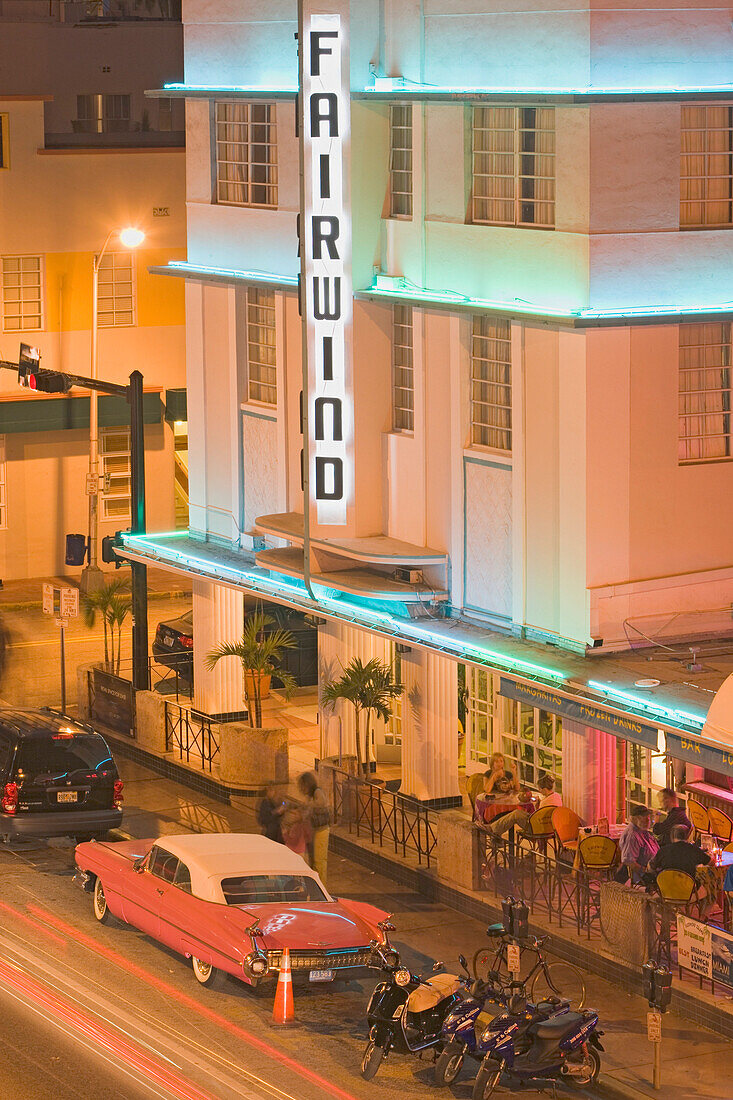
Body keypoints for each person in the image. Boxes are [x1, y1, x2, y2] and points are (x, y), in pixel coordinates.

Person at [490, 774, 561, 838]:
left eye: (540, 789)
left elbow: (537, 817)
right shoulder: (557, 796)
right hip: (551, 828)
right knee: (517, 813)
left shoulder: (544, 802)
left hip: (538, 829)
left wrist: (537, 804)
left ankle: (492, 829)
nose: (539, 791)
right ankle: (495, 830)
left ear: (545, 789)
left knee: (515, 814)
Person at [297, 771, 331, 885]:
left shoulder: (318, 792)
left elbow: (321, 804)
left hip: (321, 830)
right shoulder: (309, 796)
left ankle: (323, 887)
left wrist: (308, 807)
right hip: (313, 831)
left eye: (303, 786)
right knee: (313, 861)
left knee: (319, 861)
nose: (302, 789)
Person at [617, 804, 659, 885]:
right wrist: (646, 870)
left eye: (648, 817)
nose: (648, 820)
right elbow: (629, 861)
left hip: (654, 869)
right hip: (645, 875)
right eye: (644, 817)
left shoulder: (642, 830)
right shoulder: (632, 836)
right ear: (635, 818)